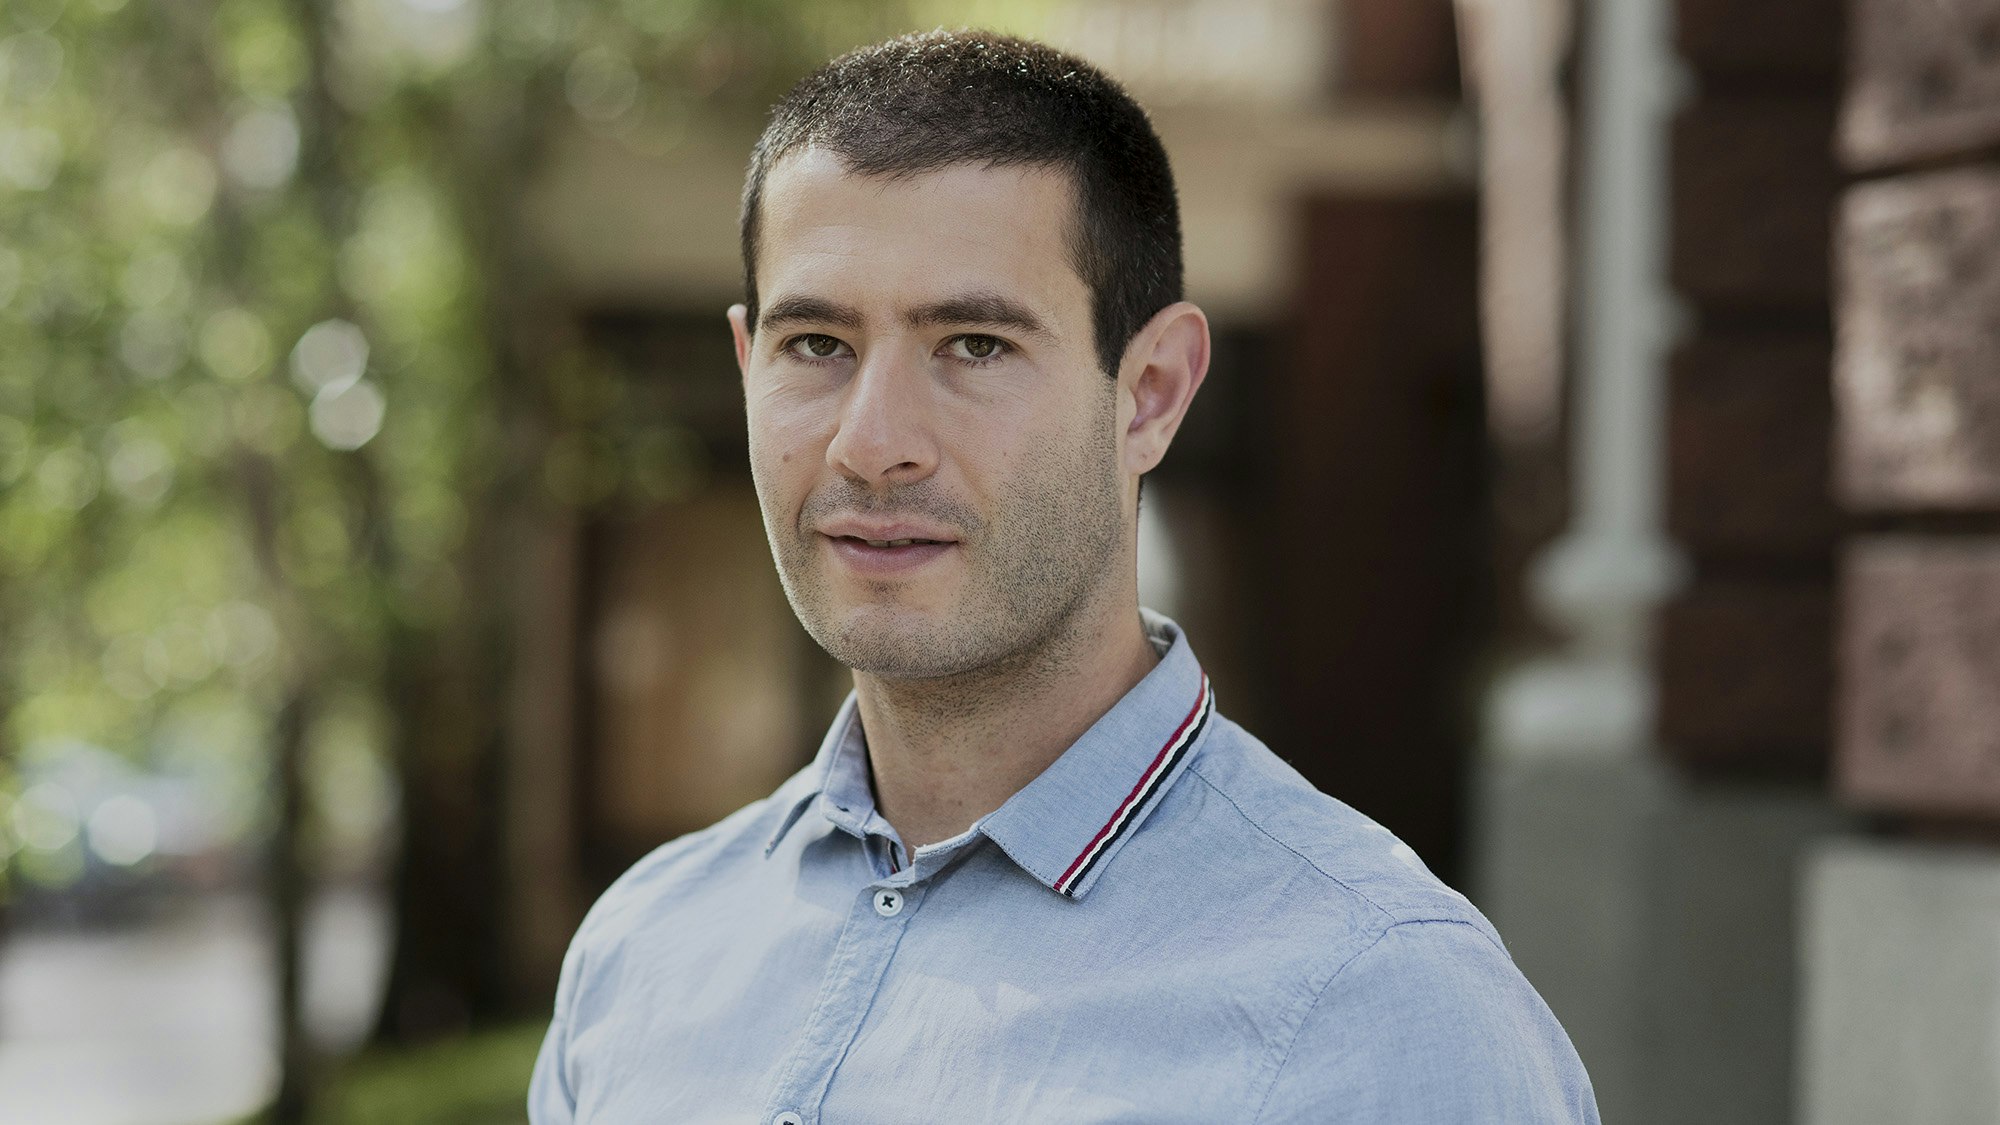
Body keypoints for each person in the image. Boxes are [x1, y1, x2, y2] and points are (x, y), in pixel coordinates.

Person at [529, 29, 1598, 1124]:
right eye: (817, 344)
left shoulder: (1381, 1010)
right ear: (748, 368)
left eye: (974, 344)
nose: (871, 442)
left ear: (1148, 394)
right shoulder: (640, 955)